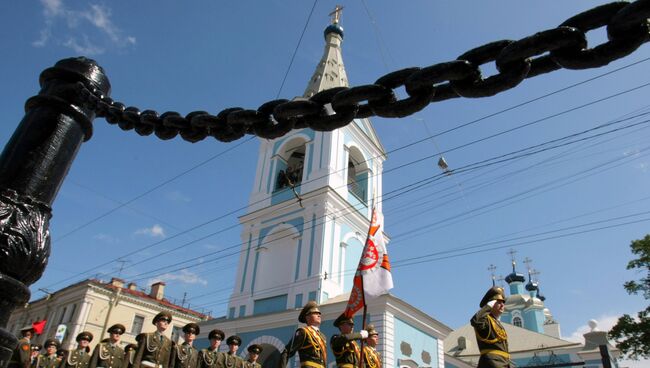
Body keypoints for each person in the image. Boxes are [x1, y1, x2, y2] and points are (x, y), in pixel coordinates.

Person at [470, 287, 511, 368]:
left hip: (504, 363)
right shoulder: (485, 320)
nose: (502, 305)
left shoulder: (497, 323)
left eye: (503, 302)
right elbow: (476, 321)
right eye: (498, 302)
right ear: (491, 303)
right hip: (492, 363)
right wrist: (488, 306)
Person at [278, 301, 327, 368]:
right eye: (315, 313)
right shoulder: (303, 332)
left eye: (319, 313)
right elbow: (286, 352)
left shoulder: (322, 336)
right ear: (307, 317)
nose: (319, 315)